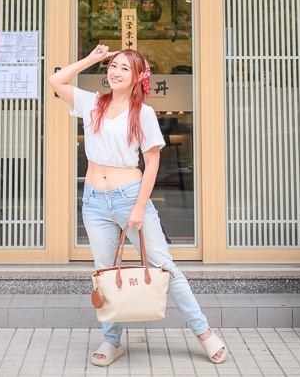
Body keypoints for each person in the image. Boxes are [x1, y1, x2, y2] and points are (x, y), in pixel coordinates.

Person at [48, 45, 228, 367]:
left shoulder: (142, 113)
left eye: (124, 68)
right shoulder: (92, 103)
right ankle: (112, 340)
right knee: (104, 273)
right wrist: (91, 59)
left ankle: (204, 332)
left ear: (137, 77)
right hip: (94, 202)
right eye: (113, 66)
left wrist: (138, 208)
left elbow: (153, 161)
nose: (115, 72)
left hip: (131, 197)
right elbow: (56, 81)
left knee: (165, 267)